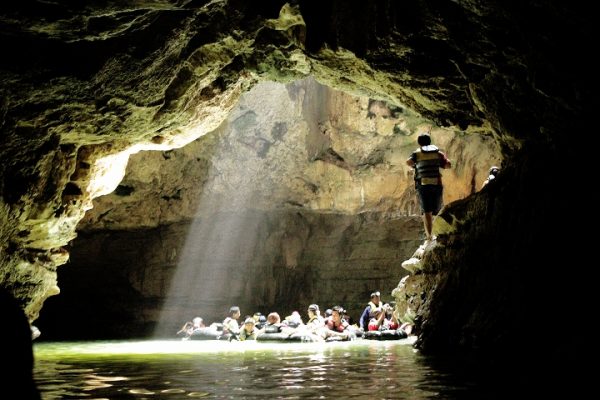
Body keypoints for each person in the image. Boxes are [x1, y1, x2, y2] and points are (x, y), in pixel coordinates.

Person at [406, 132, 452, 242]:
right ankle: (439, 232)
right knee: (438, 209)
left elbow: (408, 162)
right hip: (437, 184)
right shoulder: (438, 153)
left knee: (427, 211)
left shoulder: (417, 154)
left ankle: (429, 236)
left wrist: (416, 165)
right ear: (430, 142)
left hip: (423, 185)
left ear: (419, 143)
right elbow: (448, 165)